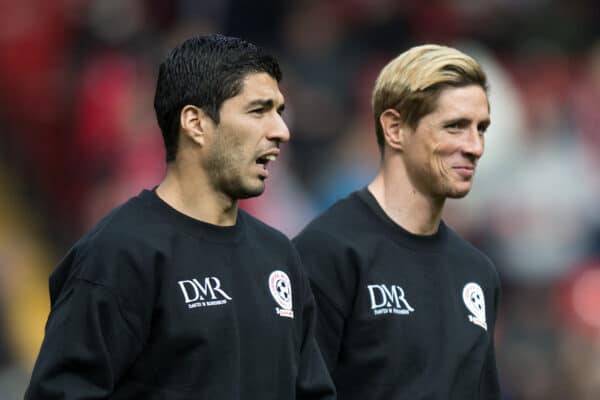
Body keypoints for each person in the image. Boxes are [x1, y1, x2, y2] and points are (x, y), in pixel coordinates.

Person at [25, 34, 336, 400]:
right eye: (258, 111)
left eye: (279, 112)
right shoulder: (117, 254)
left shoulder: (279, 256)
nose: (281, 131)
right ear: (196, 123)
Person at [293, 44, 501, 399]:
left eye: (480, 128)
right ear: (394, 128)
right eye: (455, 127)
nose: (475, 146)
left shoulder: (477, 273)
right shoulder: (327, 251)